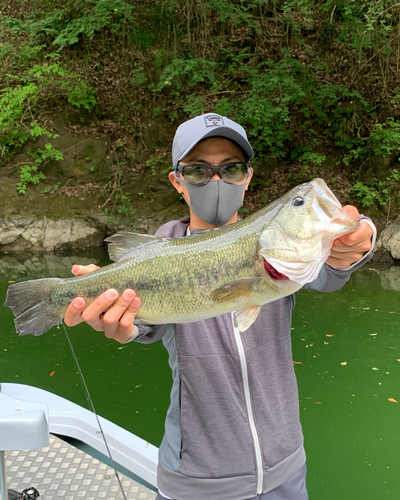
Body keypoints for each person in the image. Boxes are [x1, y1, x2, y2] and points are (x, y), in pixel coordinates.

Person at [65, 113, 376, 500]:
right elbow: (147, 327)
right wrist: (123, 325)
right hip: (196, 482)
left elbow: (332, 267)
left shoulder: (279, 251)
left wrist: (359, 237)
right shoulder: (162, 247)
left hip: (287, 473)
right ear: (177, 181)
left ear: (247, 177)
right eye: (198, 170)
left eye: (230, 169)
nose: (216, 180)